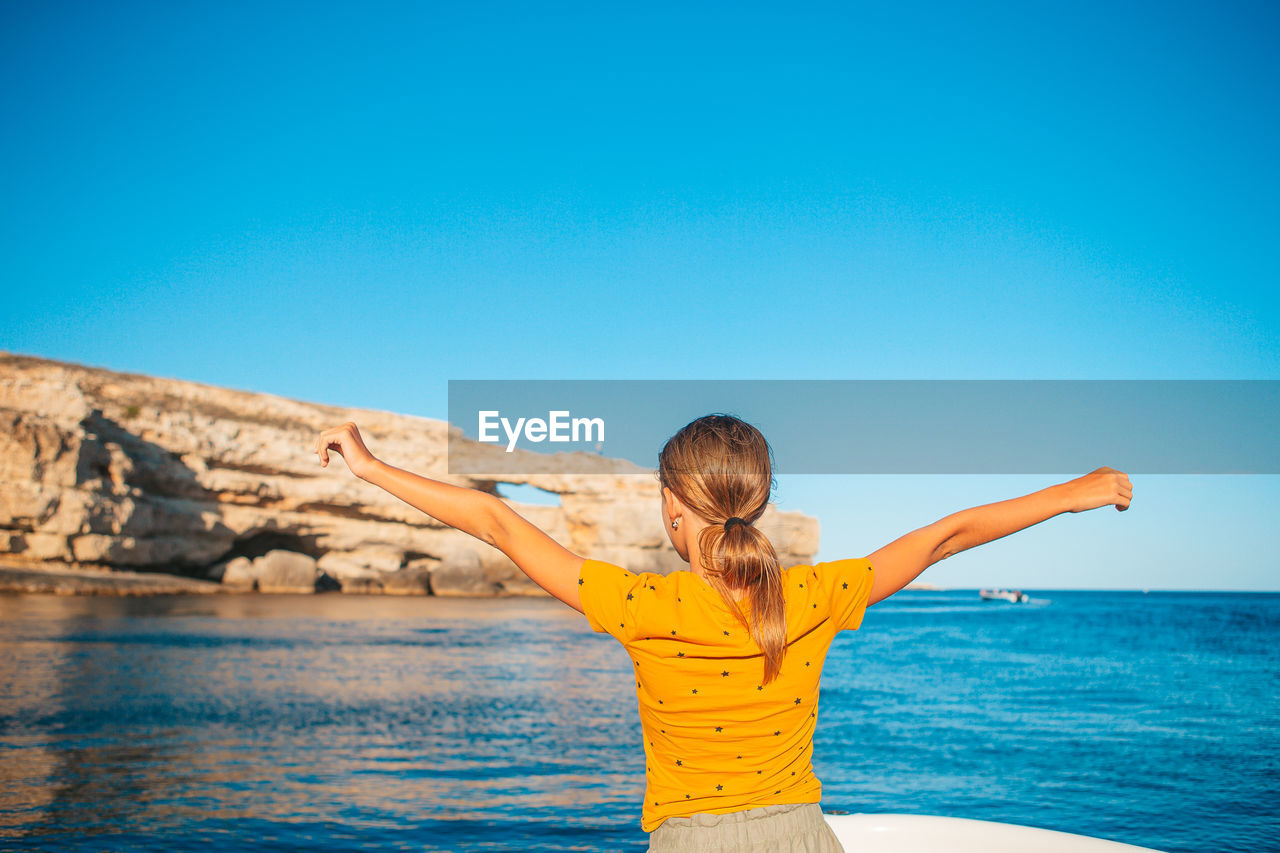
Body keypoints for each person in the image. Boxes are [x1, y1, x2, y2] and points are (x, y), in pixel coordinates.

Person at [313, 413, 1132, 852]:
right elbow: (945, 535)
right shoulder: (813, 594)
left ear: (672, 508)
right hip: (801, 839)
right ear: (761, 503)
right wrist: (1075, 491)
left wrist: (371, 464)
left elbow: (496, 521)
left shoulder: (641, 606)